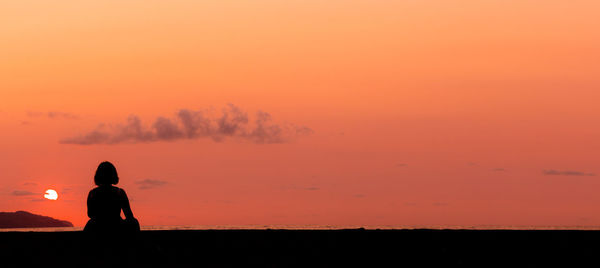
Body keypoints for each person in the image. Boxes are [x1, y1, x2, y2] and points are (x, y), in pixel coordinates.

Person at [84, 161, 140, 233]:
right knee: (134, 222)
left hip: (97, 227)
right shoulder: (120, 192)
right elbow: (129, 215)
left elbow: (90, 214)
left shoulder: (92, 193)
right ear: (114, 175)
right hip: (117, 226)